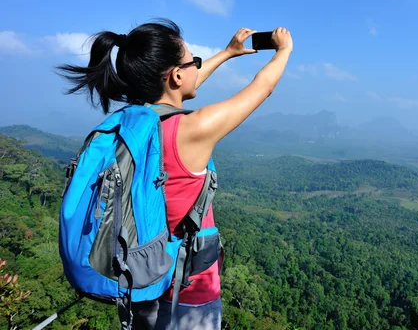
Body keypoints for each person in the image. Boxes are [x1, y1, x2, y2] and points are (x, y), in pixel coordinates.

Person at [56, 19, 293, 329]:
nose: (198, 66)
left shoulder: (136, 121)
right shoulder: (191, 131)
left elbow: (179, 90)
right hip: (188, 295)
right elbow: (262, 88)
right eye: (193, 61)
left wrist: (227, 53)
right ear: (177, 75)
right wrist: (284, 49)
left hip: (144, 279)